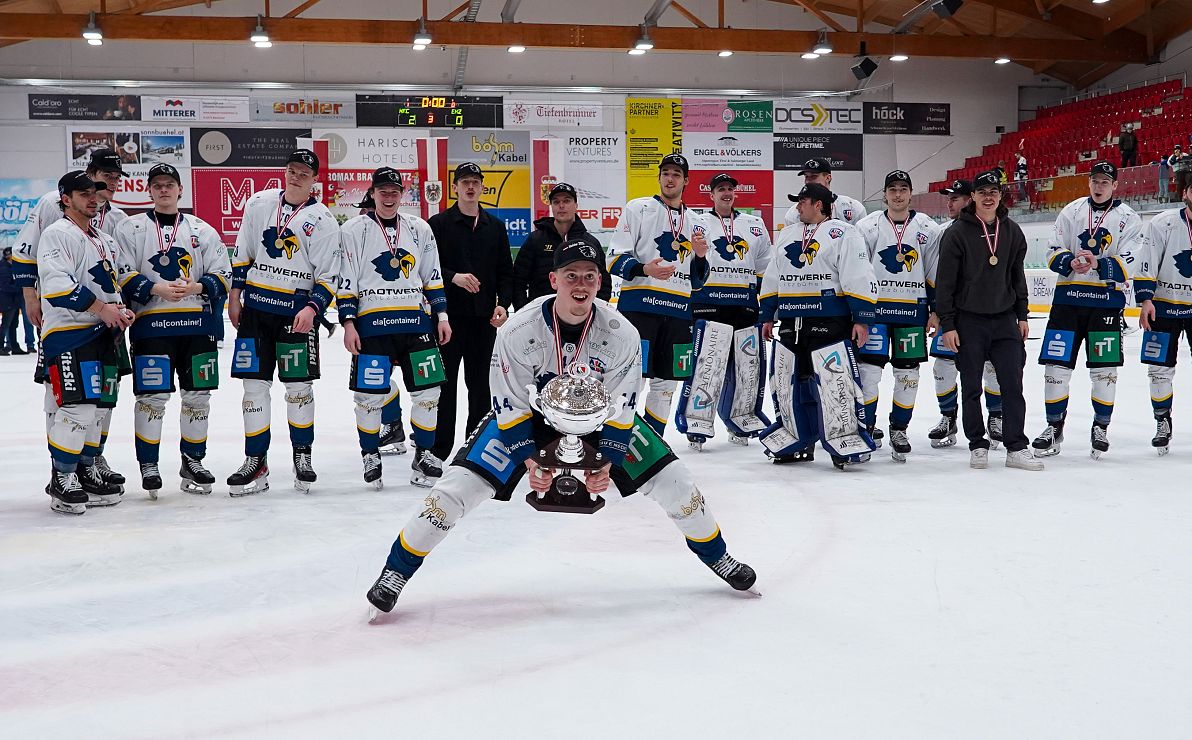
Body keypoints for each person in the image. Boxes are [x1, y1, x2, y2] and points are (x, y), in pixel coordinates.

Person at [364, 240, 758, 618]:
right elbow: (508, 402)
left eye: (589, 276)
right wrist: (530, 459)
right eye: (571, 275)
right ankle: (395, 572)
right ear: (554, 280)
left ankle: (719, 556)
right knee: (455, 490)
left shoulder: (622, 332)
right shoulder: (518, 329)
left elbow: (623, 406)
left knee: (676, 482)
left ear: (600, 282)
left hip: (601, 420)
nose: (580, 284)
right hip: (530, 418)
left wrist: (606, 461)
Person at [13, 148, 130, 492]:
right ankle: (62, 469)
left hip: (104, 326)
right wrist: (31, 298)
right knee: (66, 397)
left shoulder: (114, 222)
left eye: (115, 178)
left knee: (101, 400)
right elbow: (27, 254)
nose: (110, 184)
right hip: (66, 320)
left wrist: (119, 306)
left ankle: (90, 461)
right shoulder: (52, 208)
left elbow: (115, 273)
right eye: (105, 177)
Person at [227, 149, 341, 495]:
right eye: (292, 170)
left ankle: (302, 456)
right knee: (253, 388)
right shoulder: (259, 203)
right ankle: (255, 459)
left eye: (304, 173)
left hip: (296, 316)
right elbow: (243, 251)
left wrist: (313, 309)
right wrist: (235, 296)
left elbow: (329, 275)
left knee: (299, 389)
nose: (296, 177)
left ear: (314, 179)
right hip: (256, 313)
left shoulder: (323, 220)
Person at [114, 163, 231, 497]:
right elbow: (121, 272)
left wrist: (197, 287)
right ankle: (149, 464)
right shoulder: (131, 228)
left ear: (181, 190)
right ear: (149, 190)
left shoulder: (202, 229)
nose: (163, 189)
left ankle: (193, 460)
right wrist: (155, 289)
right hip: (152, 328)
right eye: (157, 185)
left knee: (198, 397)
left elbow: (224, 273)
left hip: (197, 327)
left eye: (169, 184)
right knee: (152, 398)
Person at [338, 167, 451, 489]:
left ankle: (424, 453)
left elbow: (432, 274)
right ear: (372, 194)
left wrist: (442, 316)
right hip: (372, 325)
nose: (389, 197)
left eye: (394, 191)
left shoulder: (419, 228)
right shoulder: (353, 230)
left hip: (415, 323)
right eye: (382, 191)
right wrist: (348, 323)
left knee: (429, 393)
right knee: (368, 396)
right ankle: (370, 453)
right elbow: (346, 279)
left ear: (403, 195)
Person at [758, 182, 878, 469]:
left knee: (834, 383)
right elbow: (773, 276)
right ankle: (799, 439)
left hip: (830, 321)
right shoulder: (788, 234)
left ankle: (844, 440)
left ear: (819, 205)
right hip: (791, 323)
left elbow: (858, 275)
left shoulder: (844, 233)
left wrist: (862, 318)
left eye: (803, 201)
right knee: (791, 385)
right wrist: (767, 314)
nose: (798, 206)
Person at [38, 171, 135, 514]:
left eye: (95, 192)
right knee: (76, 407)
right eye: (84, 194)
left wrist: (120, 309)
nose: (93, 198)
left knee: (101, 408)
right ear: (66, 199)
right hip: (70, 333)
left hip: (104, 333)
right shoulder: (57, 234)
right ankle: (63, 476)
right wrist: (102, 308)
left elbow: (111, 284)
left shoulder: (104, 239)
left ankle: (86, 468)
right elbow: (57, 286)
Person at [1031, 161, 1141, 459]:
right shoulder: (1072, 210)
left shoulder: (1129, 218)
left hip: (1105, 304)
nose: (1099, 186)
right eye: (1095, 180)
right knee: (1055, 368)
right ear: (1088, 182)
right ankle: (1054, 426)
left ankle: (1100, 427)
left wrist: (1098, 263)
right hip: (1067, 303)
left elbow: (1130, 260)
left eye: (1105, 181)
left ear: (1115, 185)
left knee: (1104, 372)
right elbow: (1052, 249)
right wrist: (1069, 261)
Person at [935, 170, 1041, 471]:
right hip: (969, 321)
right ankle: (977, 444)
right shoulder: (957, 232)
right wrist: (948, 324)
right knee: (971, 386)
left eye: (993, 191)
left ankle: (1016, 447)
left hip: (1005, 319)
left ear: (1000, 195)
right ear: (973, 196)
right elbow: (945, 284)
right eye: (982, 192)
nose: (988, 197)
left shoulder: (1012, 231)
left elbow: (1017, 276)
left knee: (1013, 385)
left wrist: (1022, 314)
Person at [607, 153, 710, 436]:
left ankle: (653, 445)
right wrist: (644, 269)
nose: (670, 178)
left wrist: (701, 256)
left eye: (676, 174)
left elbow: (699, 282)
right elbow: (613, 259)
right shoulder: (638, 208)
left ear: (686, 181)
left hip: (678, 314)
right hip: (640, 311)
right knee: (632, 380)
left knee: (666, 386)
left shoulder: (698, 222)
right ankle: (618, 441)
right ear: (659, 177)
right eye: (665, 173)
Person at [678, 173, 773, 450]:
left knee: (745, 369)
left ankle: (739, 421)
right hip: (708, 305)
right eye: (721, 189)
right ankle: (697, 425)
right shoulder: (697, 221)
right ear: (711, 195)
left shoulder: (754, 224)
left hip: (744, 307)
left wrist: (766, 307)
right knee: (706, 367)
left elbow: (765, 269)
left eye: (730, 188)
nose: (726, 193)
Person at [427, 162, 513, 465]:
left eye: (475, 182)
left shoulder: (495, 227)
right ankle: (438, 450)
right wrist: (454, 277)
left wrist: (503, 304)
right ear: (455, 188)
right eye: (465, 182)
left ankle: (474, 449)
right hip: (447, 320)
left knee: (480, 388)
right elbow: (427, 268)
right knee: (445, 386)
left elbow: (505, 272)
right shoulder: (438, 224)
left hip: (483, 321)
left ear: (482, 186)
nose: (471, 187)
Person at [853, 170, 941, 462]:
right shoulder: (867, 227)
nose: (898, 194)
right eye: (893, 189)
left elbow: (934, 272)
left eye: (903, 188)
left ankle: (899, 429)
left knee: (908, 376)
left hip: (912, 312)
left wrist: (935, 310)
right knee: (869, 373)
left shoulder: (928, 228)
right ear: (885, 194)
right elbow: (859, 272)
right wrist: (860, 313)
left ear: (911, 193)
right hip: (876, 313)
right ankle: (866, 428)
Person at [927, 180, 1004, 449]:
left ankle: (996, 417)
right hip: (952, 314)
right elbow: (936, 275)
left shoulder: (996, 228)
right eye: (948, 199)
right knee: (943, 366)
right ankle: (948, 417)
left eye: (955, 198)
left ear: (969, 199)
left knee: (990, 366)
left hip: (985, 313)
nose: (949, 203)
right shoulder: (942, 231)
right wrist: (936, 310)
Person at [1133, 177, 1192, 455]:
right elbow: (1147, 261)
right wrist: (1145, 299)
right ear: (1185, 193)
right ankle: (1162, 422)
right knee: (1159, 370)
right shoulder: (1163, 223)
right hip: (1163, 306)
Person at [512, 182, 611, 310]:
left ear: (576, 206)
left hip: (580, 314)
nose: (561, 206)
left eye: (566, 201)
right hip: (541, 314)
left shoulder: (590, 243)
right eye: (556, 202)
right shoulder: (536, 240)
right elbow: (518, 280)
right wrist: (525, 311)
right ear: (551, 206)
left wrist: (592, 311)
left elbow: (604, 283)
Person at [781, 157, 866, 228]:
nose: (808, 181)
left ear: (828, 178)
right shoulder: (794, 213)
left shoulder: (852, 207)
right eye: (806, 177)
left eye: (814, 177)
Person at [0, 247, 21, 355]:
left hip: (13, 300)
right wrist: (19, 288)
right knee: (6, 325)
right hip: (7, 301)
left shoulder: (11, 266)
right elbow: (5, 286)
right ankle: (1, 346)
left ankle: (14, 346)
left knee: (13, 325)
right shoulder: (4, 268)